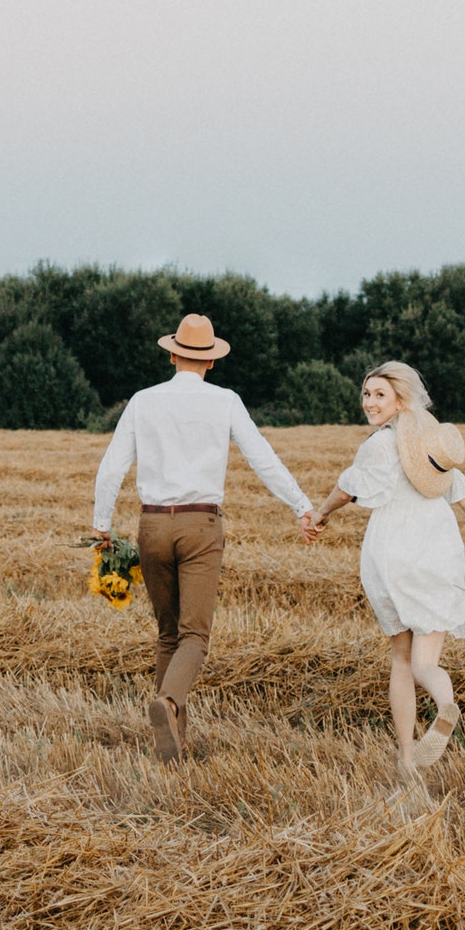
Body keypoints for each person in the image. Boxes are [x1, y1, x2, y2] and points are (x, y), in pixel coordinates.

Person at [91, 313, 317, 763]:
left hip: (152, 525)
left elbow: (112, 465)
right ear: (211, 362)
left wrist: (101, 524)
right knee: (196, 635)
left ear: (172, 354)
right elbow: (263, 460)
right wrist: (302, 506)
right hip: (201, 526)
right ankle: (169, 704)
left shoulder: (142, 400)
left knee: (167, 635)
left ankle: (173, 745)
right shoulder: (225, 401)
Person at [308, 361, 465, 781]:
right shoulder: (428, 440)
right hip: (437, 550)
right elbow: (460, 489)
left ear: (400, 399)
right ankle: (443, 698)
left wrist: (321, 512)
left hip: (392, 554)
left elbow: (349, 488)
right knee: (424, 663)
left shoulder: (380, 445)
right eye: (366, 394)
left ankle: (405, 756)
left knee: (400, 659)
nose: (369, 402)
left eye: (379, 394)